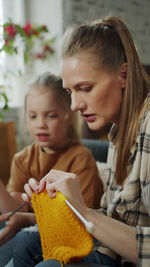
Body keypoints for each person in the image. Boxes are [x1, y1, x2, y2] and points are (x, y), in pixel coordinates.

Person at [12, 16, 150, 267]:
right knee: (24, 243)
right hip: (111, 251)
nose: (74, 105)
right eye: (69, 92)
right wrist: (51, 209)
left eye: (85, 88)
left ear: (124, 74)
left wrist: (84, 212)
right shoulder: (119, 132)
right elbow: (114, 219)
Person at [0, 72, 103, 266]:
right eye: (33, 116)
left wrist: (28, 219)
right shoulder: (22, 159)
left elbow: (84, 219)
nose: (40, 124)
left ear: (68, 116)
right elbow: (14, 213)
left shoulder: (81, 158)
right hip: (29, 233)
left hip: (72, 239)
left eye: (51, 115)